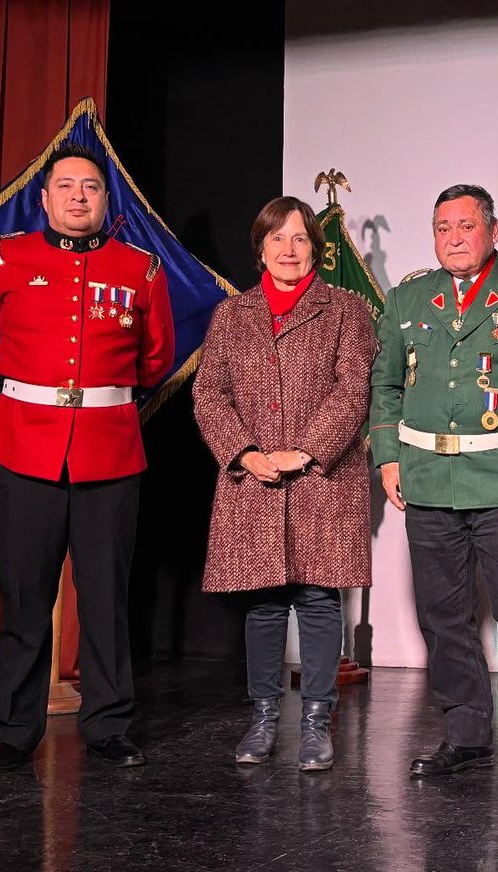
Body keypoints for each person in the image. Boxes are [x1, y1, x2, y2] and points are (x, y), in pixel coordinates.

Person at [0, 142, 175, 772]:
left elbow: (155, 359)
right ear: (45, 198)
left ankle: (108, 725)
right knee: (24, 598)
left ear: (107, 201)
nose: (79, 196)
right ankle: (14, 729)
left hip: (108, 451)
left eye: (91, 187)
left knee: (106, 599)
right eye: (67, 186)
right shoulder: (5, 259)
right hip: (25, 446)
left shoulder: (140, 269)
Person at [369, 184, 498, 789]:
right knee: (443, 617)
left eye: (465, 226)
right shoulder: (409, 296)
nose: (453, 237)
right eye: (442, 227)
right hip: (427, 477)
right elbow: (385, 384)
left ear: (492, 230)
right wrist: (387, 458)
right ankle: (464, 735)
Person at [193, 196, 377, 770]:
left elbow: (354, 392)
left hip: (324, 478)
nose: (289, 250)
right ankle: (265, 717)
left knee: (320, 602)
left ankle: (317, 721)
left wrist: (307, 450)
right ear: (260, 249)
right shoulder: (231, 315)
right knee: (265, 605)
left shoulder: (347, 310)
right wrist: (246, 454)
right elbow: (209, 393)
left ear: (315, 251)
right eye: (277, 239)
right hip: (255, 481)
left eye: (300, 239)